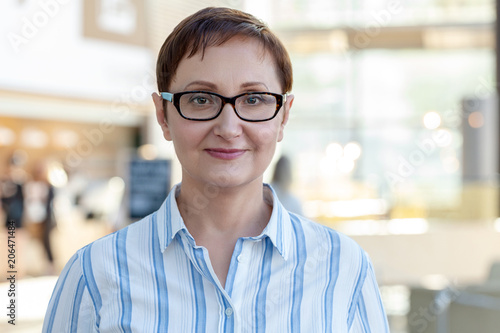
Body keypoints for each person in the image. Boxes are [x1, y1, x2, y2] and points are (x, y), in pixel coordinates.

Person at [43, 7, 389, 332]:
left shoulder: (343, 266)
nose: (228, 126)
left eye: (253, 99)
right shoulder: (95, 272)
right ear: (163, 116)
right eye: (200, 99)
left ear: (283, 116)